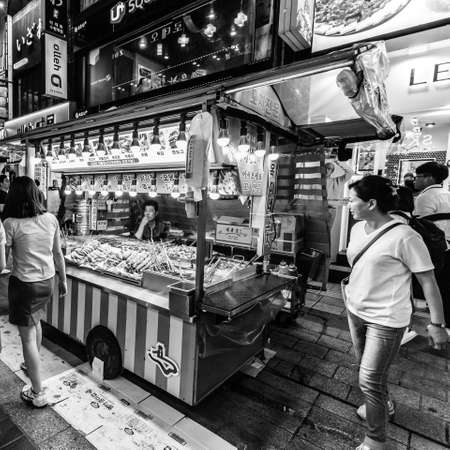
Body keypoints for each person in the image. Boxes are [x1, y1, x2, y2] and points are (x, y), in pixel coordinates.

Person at [345, 175, 447, 450]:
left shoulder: (405, 236)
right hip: (355, 310)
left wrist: (436, 324)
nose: (348, 205)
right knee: (370, 372)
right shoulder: (357, 229)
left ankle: (375, 440)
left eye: (353, 200)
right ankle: (383, 403)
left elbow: (429, 282)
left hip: (387, 319)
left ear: (372, 203)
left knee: (369, 378)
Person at [3, 176, 67, 408]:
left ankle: (38, 392)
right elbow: (58, 254)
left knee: (27, 336)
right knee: (36, 322)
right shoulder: (50, 219)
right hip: (47, 281)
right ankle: (32, 364)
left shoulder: (10, 223)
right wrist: (64, 280)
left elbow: (4, 260)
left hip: (25, 285)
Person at [414, 161, 450, 242]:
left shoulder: (425, 197)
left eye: (417, 176)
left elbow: (422, 228)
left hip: (437, 245)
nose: (414, 180)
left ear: (429, 178)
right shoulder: (447, 194)